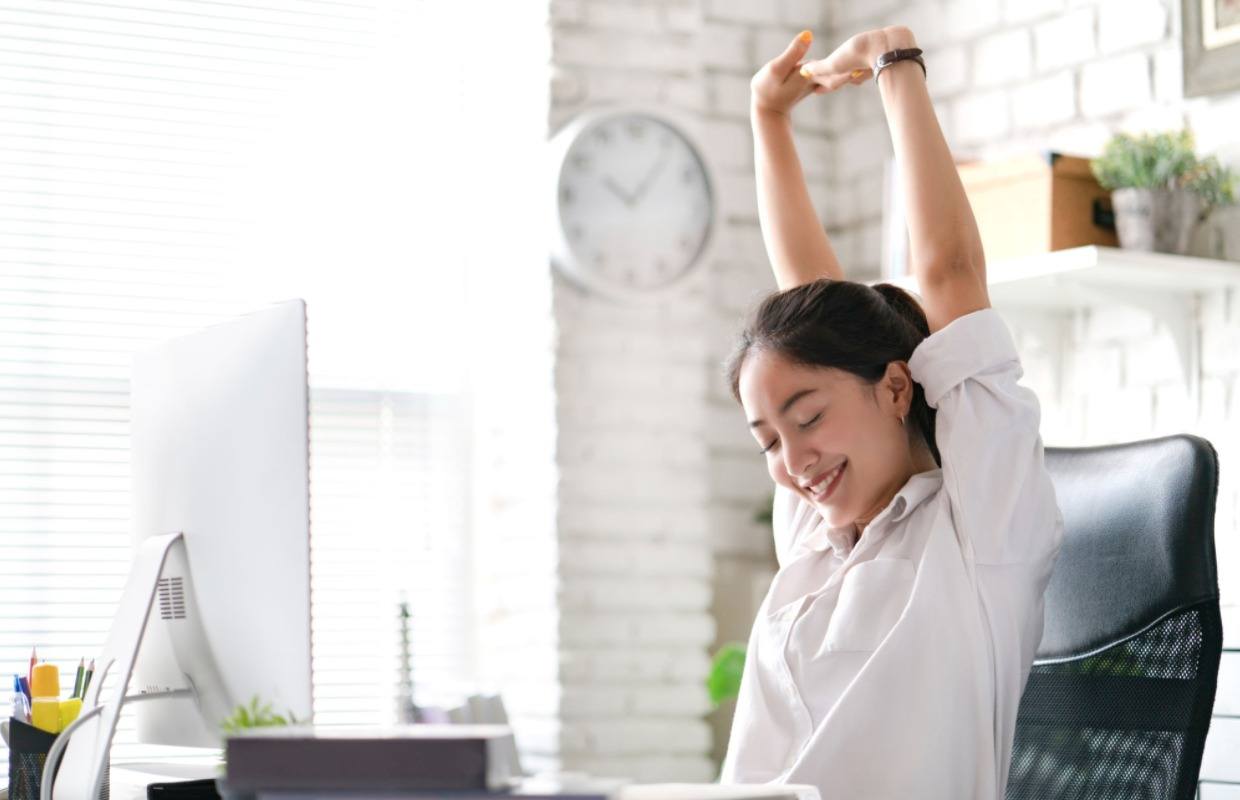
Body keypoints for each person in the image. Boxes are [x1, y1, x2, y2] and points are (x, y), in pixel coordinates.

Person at [718, 26, 1066, 799]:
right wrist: (767, 118)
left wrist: (895, 64)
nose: (793, 462)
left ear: (898, 388)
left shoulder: (980, 527)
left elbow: (948, 269)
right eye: (769, 439)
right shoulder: (816, 537)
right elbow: (812, 324)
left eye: (807, 420)